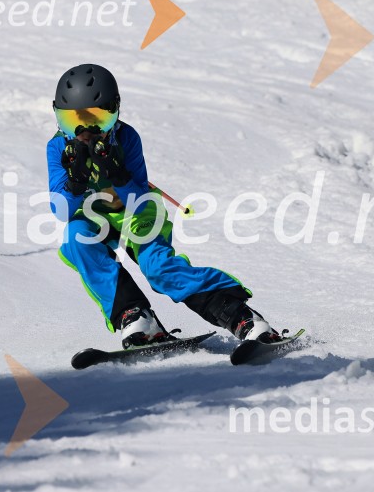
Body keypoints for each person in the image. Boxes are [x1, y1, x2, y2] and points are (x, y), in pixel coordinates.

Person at [47, 63, 280, 349]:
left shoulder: (126, 138)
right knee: (77, 240)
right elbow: (61, 211)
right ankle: (134, 316)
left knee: (157, 267)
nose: (85, 131)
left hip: (137, 210)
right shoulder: (58, 148)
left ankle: (241, 317)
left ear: (114, 112)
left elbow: (136, 196)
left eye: (97, 119)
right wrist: (75, 182)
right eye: (73, 121)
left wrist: (117, 172)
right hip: (93, 214)